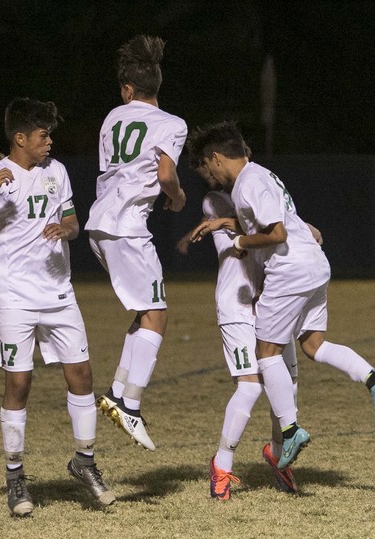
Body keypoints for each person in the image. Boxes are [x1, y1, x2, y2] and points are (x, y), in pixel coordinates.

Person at [0, 97, 115, 516]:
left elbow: (74, 219)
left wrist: (68, 228)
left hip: (58, 292)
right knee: (18, 384)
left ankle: (85, 462)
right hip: (15, 298)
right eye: (43, 135)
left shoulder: (56, 171)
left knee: (81, 376)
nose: (50, 142)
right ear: (20, 138)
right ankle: (15, 477)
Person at [188, 121, 375, 471]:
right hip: (315, 266)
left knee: (266, 353)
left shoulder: (247, 184)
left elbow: (275, 233)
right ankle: (371, 377)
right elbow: (281, 224)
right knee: (313, 344)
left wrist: (240, 242)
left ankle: (289, 431)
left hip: (289, 272)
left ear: (215, 158)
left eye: (207, 164)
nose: (208, 172)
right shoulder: (264, 175)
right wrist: (227, 225)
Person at [85, 35, 187, 451]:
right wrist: (177, 197)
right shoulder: (172, 124)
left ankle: (118, 394)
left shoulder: (112, 116)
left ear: (127, 90)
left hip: (99, 224)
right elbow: (165, 174)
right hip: (128, 227)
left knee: (144, 313)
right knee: (157, 315)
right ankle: (131, 404)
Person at [178, 163, 299, 498]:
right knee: (249, 388)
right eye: (201, 168)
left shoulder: (259, 190)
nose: (207, 174)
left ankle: (278, 455)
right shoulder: (215, 201)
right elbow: (258, 224)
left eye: (207, 166)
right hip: (237, 304)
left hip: (272, 301)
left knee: (286, 391)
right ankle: (222, 464)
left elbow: (277, 226)